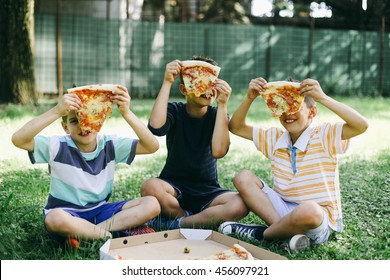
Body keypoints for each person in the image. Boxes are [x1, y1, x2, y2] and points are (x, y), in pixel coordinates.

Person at [218, 77, 369, 252]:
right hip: (281, 210)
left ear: (312, 113)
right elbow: (236, 127)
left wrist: (323, 98)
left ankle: (263, 234)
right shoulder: (274, 138)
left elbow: (361, 125)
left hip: (316, 219)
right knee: (243, 177)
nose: (288, 113)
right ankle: (282, 232)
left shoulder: (324, 135)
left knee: (309, 210)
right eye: (282, 107)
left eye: (294, 106)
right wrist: (250, 97)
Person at [11, 86, 161, 245]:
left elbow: (151, 146)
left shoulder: (110, 144)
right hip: (67, 215)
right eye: (75, 121)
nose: (83, 125)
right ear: (65, 127)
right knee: (54, 219)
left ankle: (88, 234)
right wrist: (56, 111)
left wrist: (127, 113)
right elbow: (18, 139)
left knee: (151, 204)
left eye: (89, 116)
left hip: (101, 211)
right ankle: (108, 235)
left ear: (100, 119)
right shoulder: (57, 146)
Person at [141, 56, 248, 230]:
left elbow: (219, 151)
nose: (207, 89)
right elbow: (155, 127)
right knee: (150, 187)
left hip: (208, 191)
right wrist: (167, 82)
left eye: (211, 83)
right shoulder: (175, 110)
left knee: (240, 204)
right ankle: (190, 218)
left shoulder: (217, 115)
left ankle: (180, 223)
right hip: (172, 188)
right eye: (199, 83)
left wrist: (222, 105)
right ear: (184, 89)